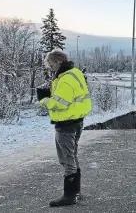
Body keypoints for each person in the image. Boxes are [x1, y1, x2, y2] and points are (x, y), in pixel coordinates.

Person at [38, 49, 91, 207]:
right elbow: (70, 96)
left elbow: (60, 103)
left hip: (66, 124)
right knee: (72, 156)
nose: (50, 68)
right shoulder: (74, 72)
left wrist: (44, 99)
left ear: (58, 62)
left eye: (51, 65)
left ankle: (69, 196)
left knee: (67, 159)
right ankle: (76, 192)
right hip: (76, 121)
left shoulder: (65, 78)